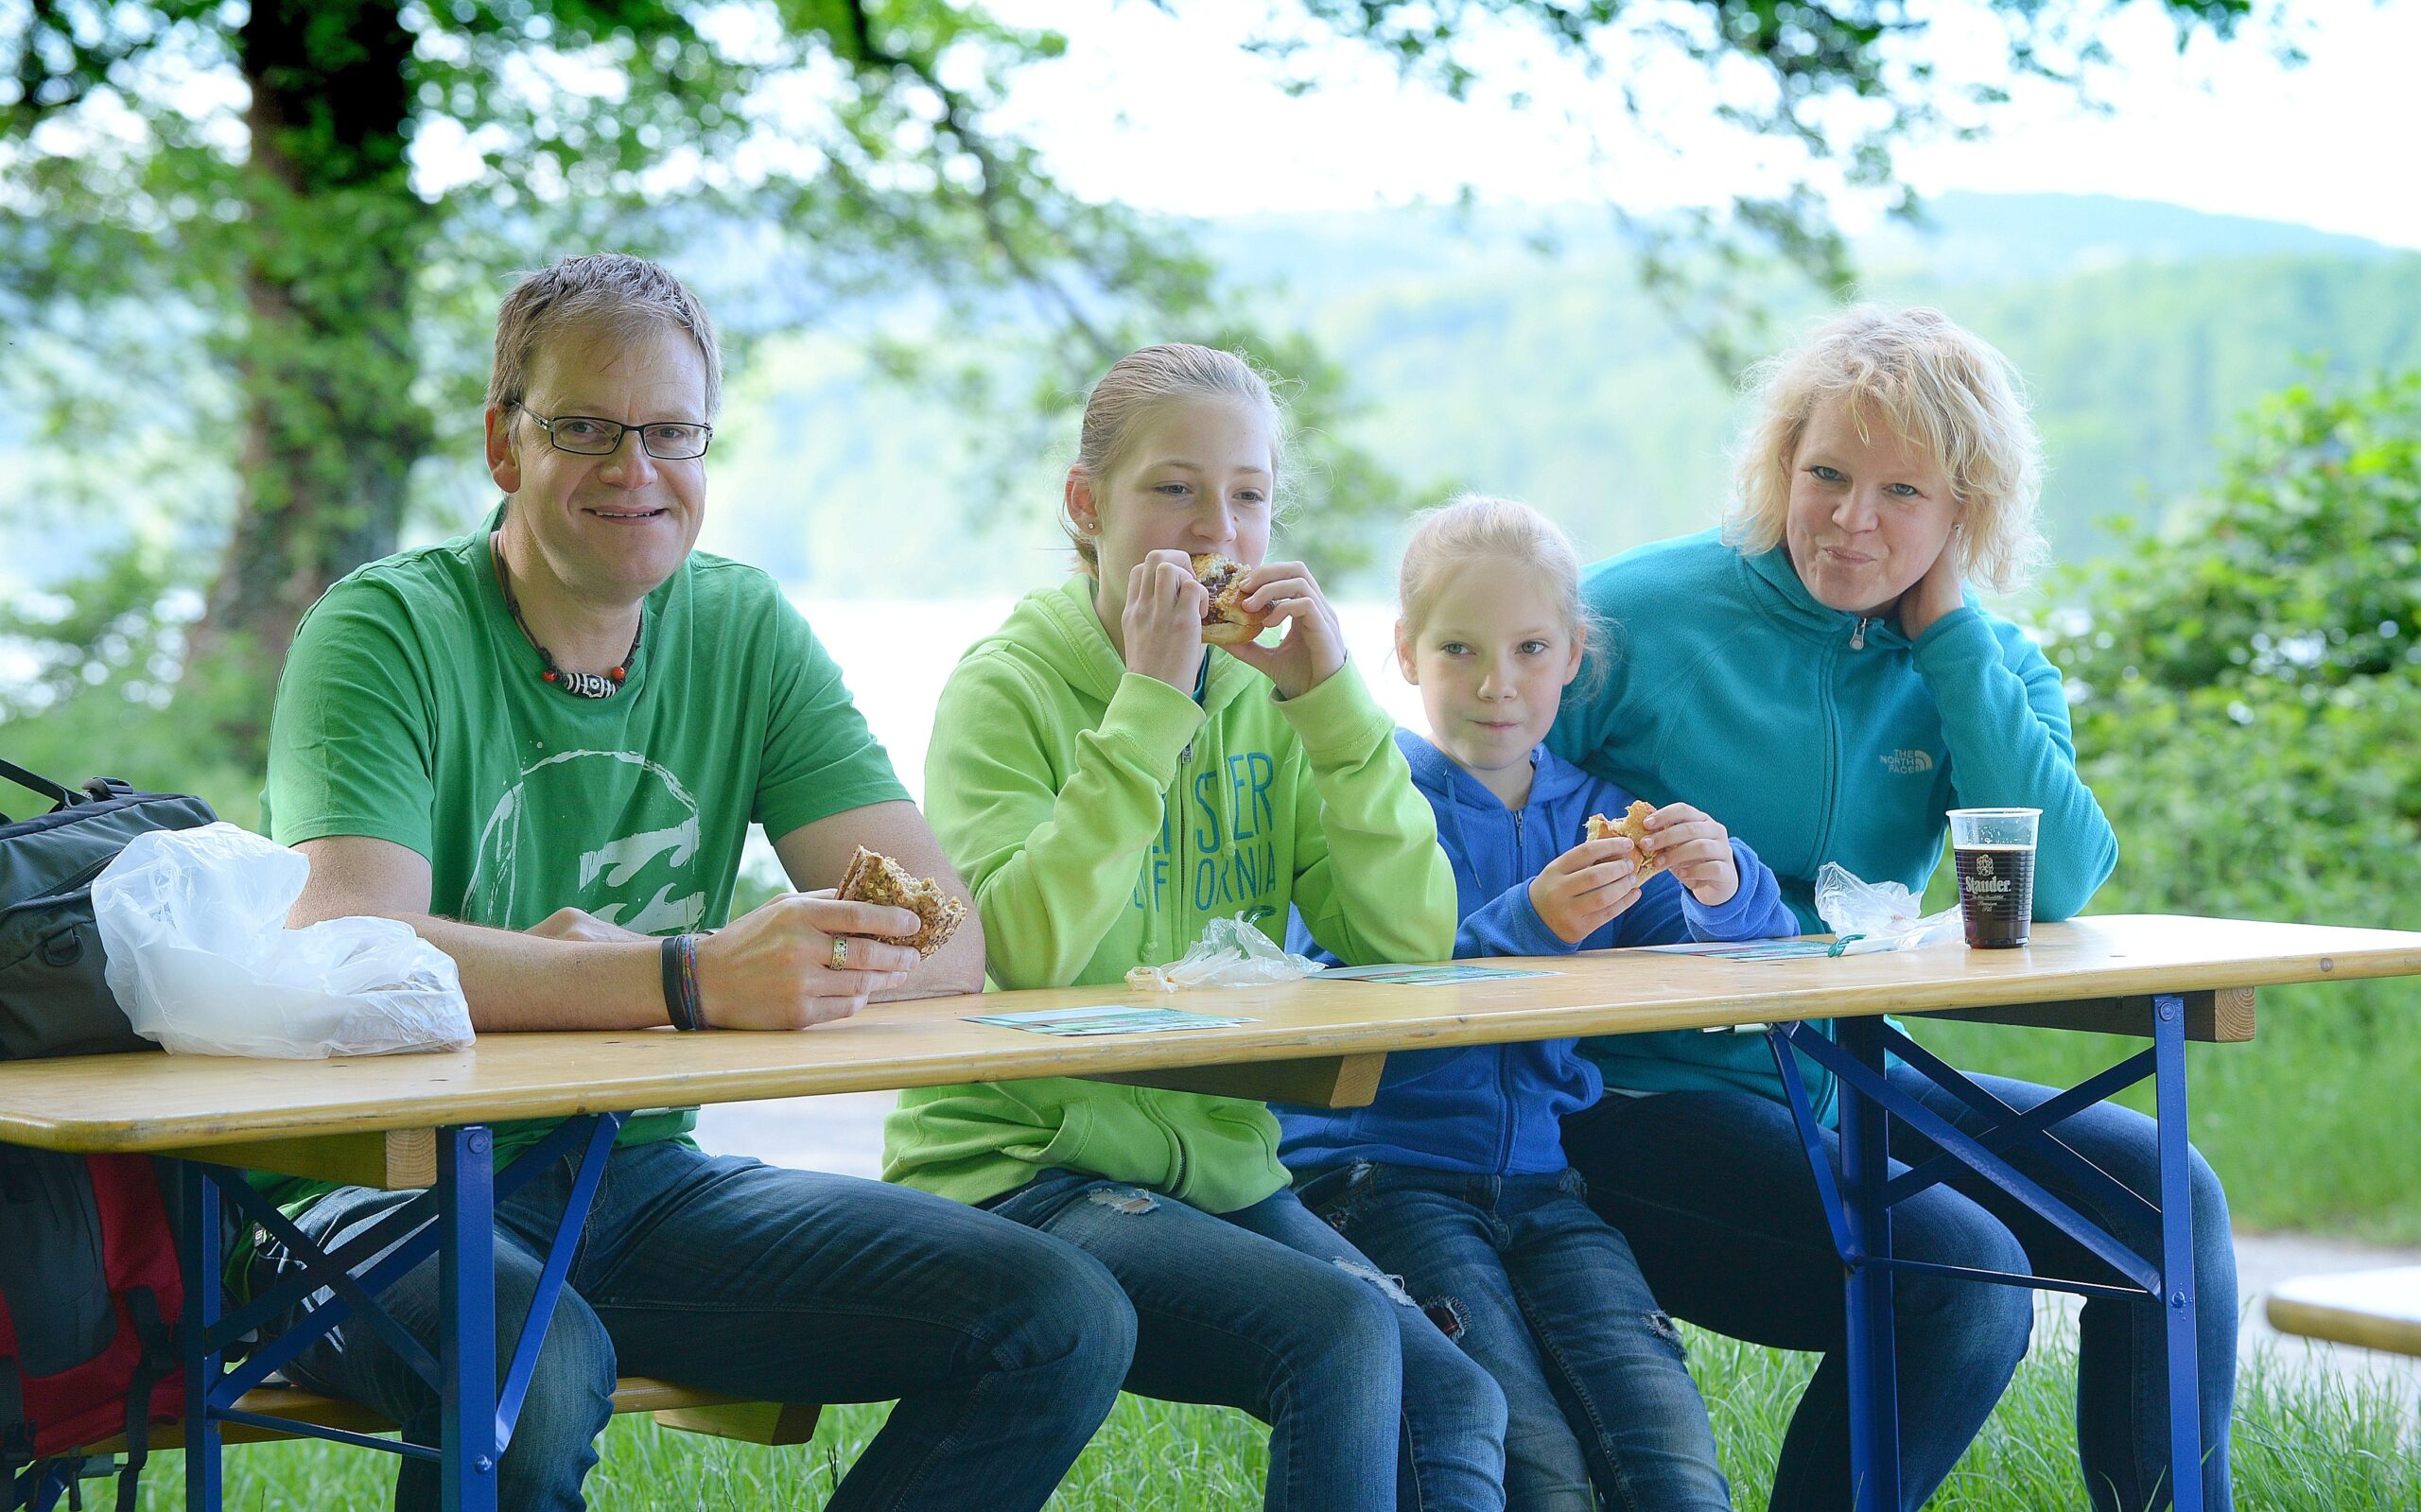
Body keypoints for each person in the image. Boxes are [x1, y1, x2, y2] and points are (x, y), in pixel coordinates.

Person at [252, 253, 1137, 1512]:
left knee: (1057, 1310)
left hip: (637, 1172)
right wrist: (681, 974)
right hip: (374, 1183)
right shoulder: (384, 629)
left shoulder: (745, 628)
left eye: (672, 432)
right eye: (585, 430)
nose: (636, 470)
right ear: (505, 447)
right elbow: (348, 938)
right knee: (536, 1374)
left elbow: (948, 938)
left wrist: (735, 967)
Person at [1547, 304, 2236, 1512]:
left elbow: (2059, 882)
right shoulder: (1626, 621)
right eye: (1825, 474)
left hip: (1841, 1072)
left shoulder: (1987, 660)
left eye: (1904, 493)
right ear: (1779, 464)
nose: (1850, 520)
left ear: (1967, 512)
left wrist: (1952, 640)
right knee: (1956, 1268)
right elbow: (1463, 825)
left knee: (2167, 1199)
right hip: (1636, 1090)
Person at [882, 343, 1508, 1512]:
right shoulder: (1005, 688)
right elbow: (1015, 955)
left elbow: (1407, 942)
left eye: (1250, 495)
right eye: (1174, 489)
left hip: (1217, 1171)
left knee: (1457, 1397)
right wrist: (1149, 706)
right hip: (1020, 1168)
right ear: (1087, 504)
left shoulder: (1273, 704)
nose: (1217, 529)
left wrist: (1329, 707)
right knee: (1336, 1333)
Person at [1279, 495, 1796, 1511]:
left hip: (1547, 1185)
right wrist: (1524, 925)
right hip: (1378, 1177)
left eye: (1527, 649)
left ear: (1572, 656)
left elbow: (1745, 963)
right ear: (1405, 653)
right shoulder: (1363, 797)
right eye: (1460, 649)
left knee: (1673, 1470)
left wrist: (1722, 882)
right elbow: (1332, 1002)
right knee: (1538, 1477)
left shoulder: (1591, 809)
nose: (1494, 685)